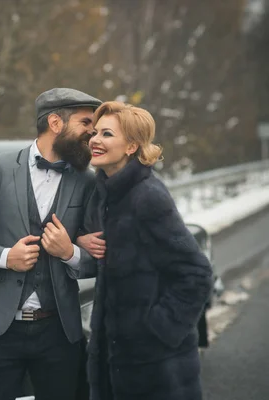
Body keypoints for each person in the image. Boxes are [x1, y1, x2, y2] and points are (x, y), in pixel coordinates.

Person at [0, 88, 102, 400]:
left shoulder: (87, 180)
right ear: (56, 123)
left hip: (59, 330)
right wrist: (6, 257)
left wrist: (70, 252)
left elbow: (97, 258)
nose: (92, 132)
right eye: (86, 122)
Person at [77, 101, 213, 400]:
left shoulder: (147, 197)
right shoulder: (107, 193)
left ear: (131, 147)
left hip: (154, 368)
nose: (95, 140)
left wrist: (157, 330)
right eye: (95, 132)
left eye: (107, 134)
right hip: (115, 358)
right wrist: (76, 242)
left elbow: (197, 273)